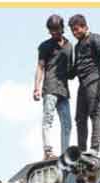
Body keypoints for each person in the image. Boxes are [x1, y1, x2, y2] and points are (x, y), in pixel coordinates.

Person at [68, 14, 100, 154]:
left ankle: (94, 149)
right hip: (83, 83)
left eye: (77, 29)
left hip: (96, 79)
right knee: (80, 118)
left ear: (85, 27)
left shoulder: (95, 38)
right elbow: (75, 68)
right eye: (73, 31)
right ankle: (81, 150)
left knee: (94, 112)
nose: (75, 33)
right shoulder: (77, 46)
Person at [35, 14, 73, 160]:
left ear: (62, 28)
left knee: (67, 123)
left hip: (63, 90)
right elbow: (40, 67)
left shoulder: (69, 46)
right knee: (48, 119)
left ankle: (65, 153)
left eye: (56, 29)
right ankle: (48, 151)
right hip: (50, 86)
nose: (53, 33)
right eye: (51, 30)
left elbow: (70, 71)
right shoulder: (45, 46)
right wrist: (36, 87)